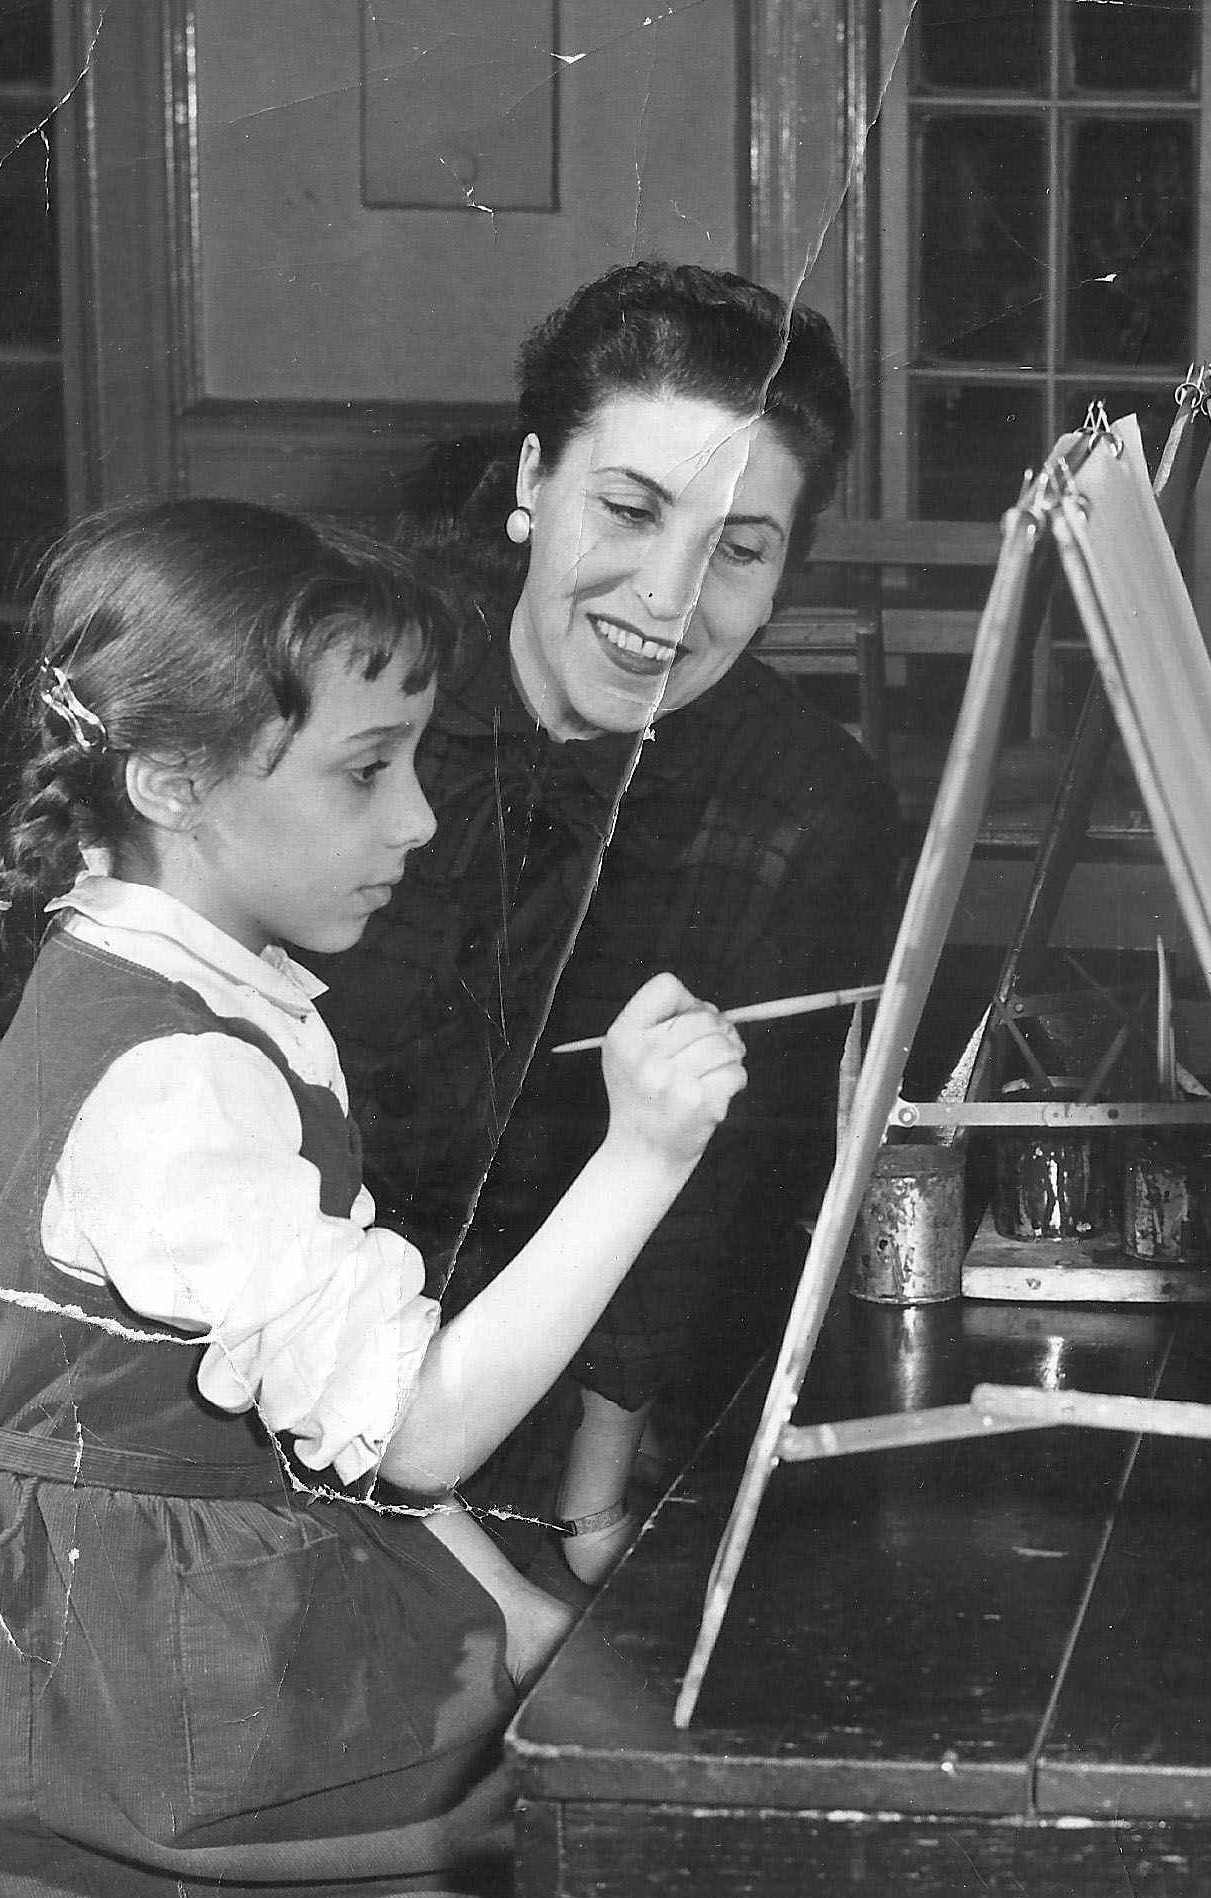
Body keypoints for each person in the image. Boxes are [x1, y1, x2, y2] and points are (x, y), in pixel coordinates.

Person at [0, 500, 746, 1898]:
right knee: (633, 1830)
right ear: (172, 780)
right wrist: (643, 1156)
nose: (421, 819)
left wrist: (512, 1606)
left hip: (135, 1655)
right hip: (110, 1732)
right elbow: (416, 1430)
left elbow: (327, 1420)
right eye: (367, 772)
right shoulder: (174, 1079)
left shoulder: (186, 983)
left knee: (603, 1714)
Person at [312, 262, 903, 1585]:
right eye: (628, 510)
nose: (668, 597)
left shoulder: (811, 808)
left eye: (739, 549)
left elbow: (710, 1210)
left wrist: (580, 1531)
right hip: (228, 1325)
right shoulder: (341, 686)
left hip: (541, 1407)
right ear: (531, 483)